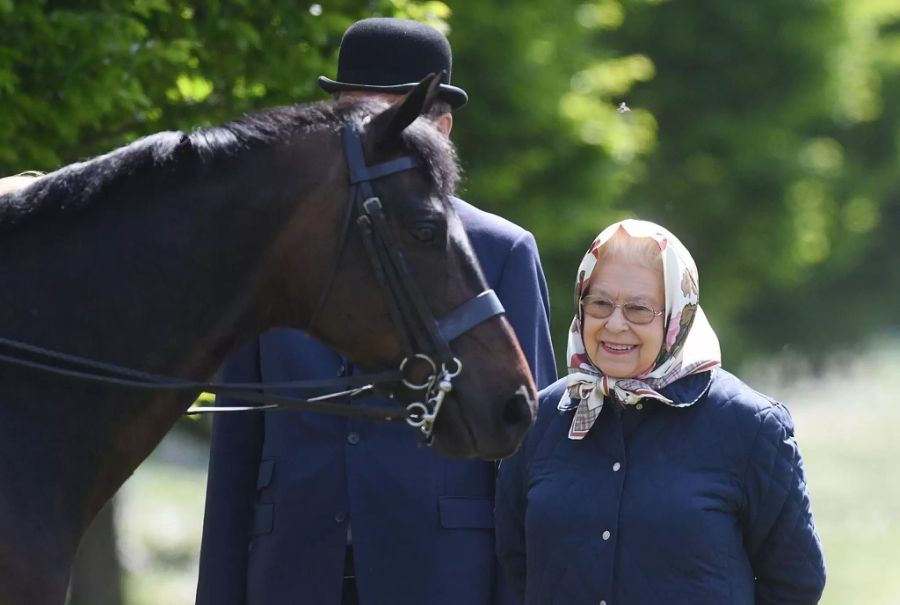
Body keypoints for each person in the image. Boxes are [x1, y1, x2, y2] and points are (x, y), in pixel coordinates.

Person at [196, 17, 557, 605]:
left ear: (443, 128)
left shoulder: (503, 252)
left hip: (441, 577)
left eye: (397, 120)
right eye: (358, 120)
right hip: (288, 573)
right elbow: (236, 445)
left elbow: (526, 457)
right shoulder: (269, 252)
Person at [495, 219, 826, 604]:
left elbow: (795, 581)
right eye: (600, 303)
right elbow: (516, 562)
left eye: (638, 309)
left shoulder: (751, 426)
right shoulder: (541, 419)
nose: (614, 325)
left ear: (676, 317)